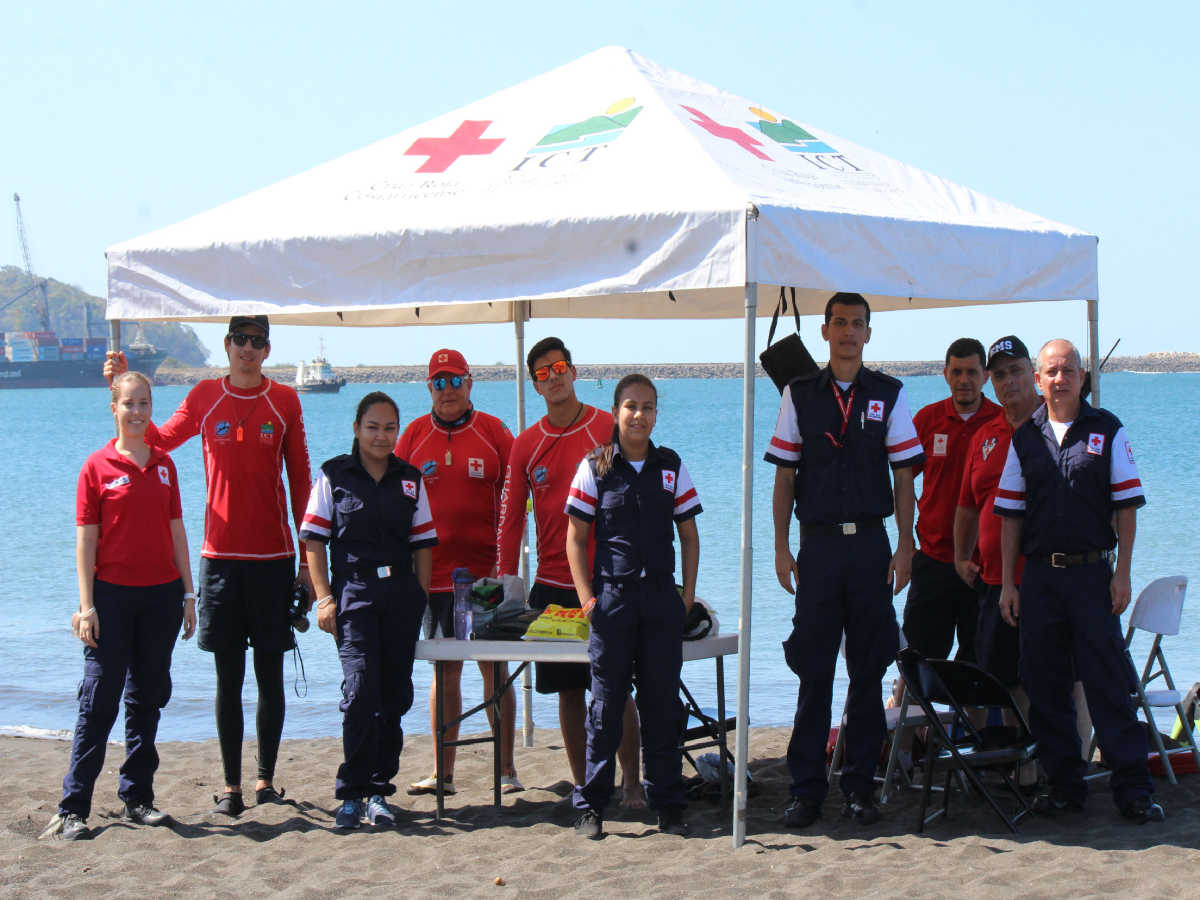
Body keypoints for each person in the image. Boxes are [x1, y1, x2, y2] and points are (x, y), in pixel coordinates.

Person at [105, 315, 312, 815]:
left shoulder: (284, 401)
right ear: (227, 344)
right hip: (219, 560)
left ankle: (265, 781)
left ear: (266, 349)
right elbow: (154, 439)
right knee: (228, 677)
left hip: (274, 558)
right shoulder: (203, 396)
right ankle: (231, 787)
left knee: (270, 673)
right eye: (239, 339)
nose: (247, 348)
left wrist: (309, 564)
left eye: (256, 341)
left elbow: (303, 484)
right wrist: (119, 388)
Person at [765, 292, 923, 828]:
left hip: (871, 546)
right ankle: (806, 790)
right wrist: (782, 547)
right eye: (840, 324)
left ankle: (860, 788)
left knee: (868, 669)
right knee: (814, 671)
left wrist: (906, 545)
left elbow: (904, 477)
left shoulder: (889, 394)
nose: (849, 332)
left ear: (868, 333)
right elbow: (784, 476)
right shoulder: (799, 394)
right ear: (824, 331)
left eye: (858, 324)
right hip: (819, 545)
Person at [995, 339, 1163, 823]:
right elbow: (1010, 515)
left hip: (1093, 576)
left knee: (1108, 684)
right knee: (1045, 685)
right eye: (1051, 372)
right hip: (1040, 580)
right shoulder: (1024, 436)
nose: (1060, 379)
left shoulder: (1106, 430)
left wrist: (1123, 573)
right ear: (1039, 380)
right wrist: (1009, 583)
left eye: (1068, 370)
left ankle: (1133, 789)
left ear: (1082, 376)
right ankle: (1064, 785)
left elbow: (1127, 507)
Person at [41, 371, 197, 842]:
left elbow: (176, 533)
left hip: (162, 598)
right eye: (128, 403)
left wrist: (189, 595)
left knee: (147, 699)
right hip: (110, 598)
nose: (137, 411)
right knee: (98, 701)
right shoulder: (96, 467)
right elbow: (85, 542)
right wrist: (86, 605)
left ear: (152, 408)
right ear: (114, 408)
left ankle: (137, 798)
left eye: (144, 403)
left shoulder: (166, 464)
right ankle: (73, 807)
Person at [496, 337, 643, 805]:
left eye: (559, 367)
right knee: (570, 695)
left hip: (610, 580)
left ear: (574, 372)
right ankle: (585, 785)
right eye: (542, 372)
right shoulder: (526, 444)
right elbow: (510, 521)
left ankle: (633, 784)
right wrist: (505, 585)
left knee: (616, 689)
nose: (553, 376)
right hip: (552, 588)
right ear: (535, 384)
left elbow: (643, 494)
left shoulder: (607, 426)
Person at [564, 374, 702, 839]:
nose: (638, 414)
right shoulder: (595, 467)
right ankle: (591, 807)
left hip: (662, 601)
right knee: (605, 709)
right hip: (613, 602)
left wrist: (686, 596)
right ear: (616, 412)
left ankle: (669, 803)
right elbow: (576, 538)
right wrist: (587, 598)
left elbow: (688, 534)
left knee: (662, 705)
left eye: (647, 407)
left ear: (656, 414)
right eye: (630, 406)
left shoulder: (671, 466)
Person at [301, 391, 436, 828]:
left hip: (400, 598)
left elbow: (423, 543)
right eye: (373, 426)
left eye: (390, 427)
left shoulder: (410, 479)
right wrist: (323, 598)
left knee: (394, 696)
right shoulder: (333, 475)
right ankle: (352, 792)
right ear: (357, 428)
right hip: (353, 598)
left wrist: (419, 594)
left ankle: (379, 790)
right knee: (360, 692)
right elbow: (314, 541)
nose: (381, 436)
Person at [396, 349, 521, 797]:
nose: (447, 391)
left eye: (455, 381)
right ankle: (442, 773)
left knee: (494, 669)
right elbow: (393, 503)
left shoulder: (492, 431)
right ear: (428, 388)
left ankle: (506, 770)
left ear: (470, 383)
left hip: (485, 577)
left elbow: (521, 488)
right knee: (444, 674)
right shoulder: (411, 435)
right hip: (433, 579)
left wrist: (512, 563)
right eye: (438, 382)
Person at [901, 338, 1000, 669]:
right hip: (933, 562)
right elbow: (901, 483)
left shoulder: (1001, 423)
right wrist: (906, 544)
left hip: (982, 569)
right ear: (945, 374)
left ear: (985, 375)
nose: (964, 380)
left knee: (981, 666)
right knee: (917, 663)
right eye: (956, 372)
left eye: (971, 372)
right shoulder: (928, 420)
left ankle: (969, 724)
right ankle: (915, 721)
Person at [953, 336, 1041, 693]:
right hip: (993, 582)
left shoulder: (1055, 427)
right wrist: (960, 557)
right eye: (1000, 375)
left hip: (1041, 578)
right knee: (1001, 684)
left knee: (1054, 680)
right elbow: (967, 505)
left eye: (1016, 371)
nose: (1009, 381)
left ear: (1033, 373)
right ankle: (1016, 750)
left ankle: (1060, 750)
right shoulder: (985, 434)